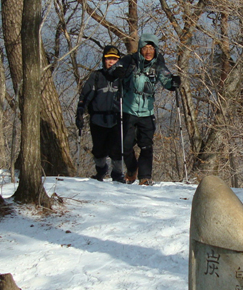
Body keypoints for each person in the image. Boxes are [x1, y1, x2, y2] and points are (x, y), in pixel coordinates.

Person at [111, 33, 181, 185]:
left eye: (151, 48)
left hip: (147, 112)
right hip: (128, 110)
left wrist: (173, 83)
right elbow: (113, 70)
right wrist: (117, 72)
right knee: (126, 145)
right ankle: (131, 169)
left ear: (155, 49)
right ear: (140, 49)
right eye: (145, 48)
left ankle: (145, 177)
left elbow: (166, 79)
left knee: (146, 146)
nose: (148, 51)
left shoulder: (158, 64)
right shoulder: (130, 61)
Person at [75, 45, 125, 183]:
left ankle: (118, 173)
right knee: (98, 149)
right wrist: (80, 111)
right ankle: (101, 170)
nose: (111, 62)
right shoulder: (96, 76)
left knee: (117, 149)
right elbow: (85, 95)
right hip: (97, 118)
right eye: (108, 59)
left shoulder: (123, 78)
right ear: (104, 60)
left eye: (114, 59)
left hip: (117, 118)